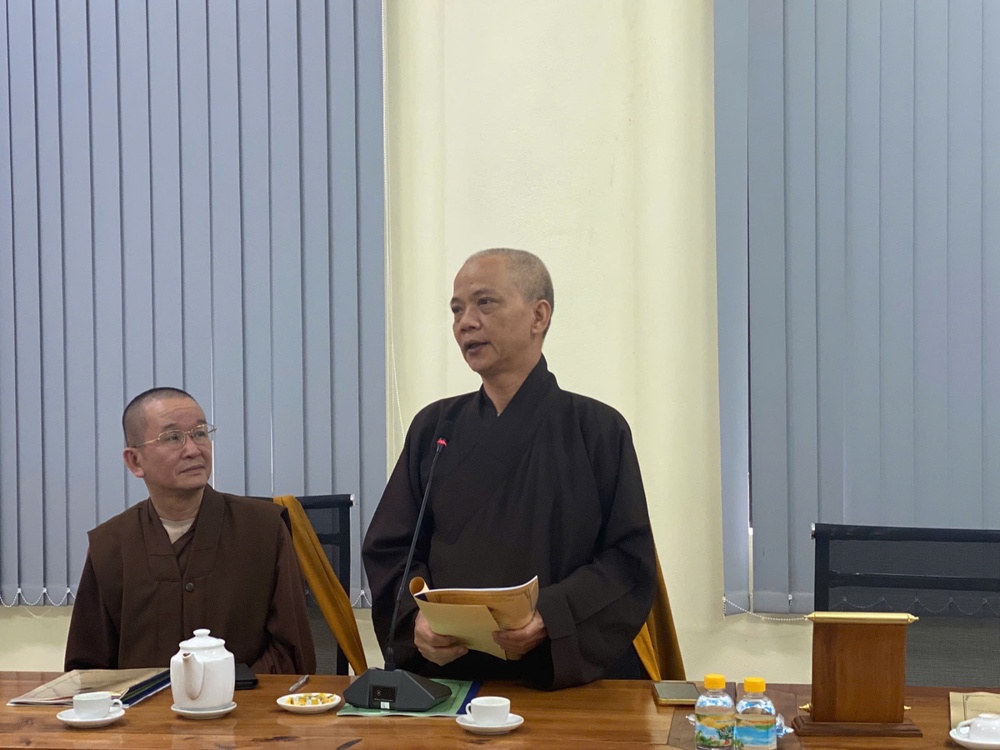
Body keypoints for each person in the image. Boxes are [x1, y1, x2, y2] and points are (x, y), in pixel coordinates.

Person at [362, 248, 657, 689]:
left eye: (484, 302)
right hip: (449, 680)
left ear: (539, 316)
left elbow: (627, 560)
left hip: (562, 680)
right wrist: (415, 619)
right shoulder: (435, 429)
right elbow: (391, 550)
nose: (465, 322)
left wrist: (551, 616)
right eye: (456, 309)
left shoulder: (597, 430)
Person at [64, 387, 316, 674]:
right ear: (135, 461)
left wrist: (227, 688)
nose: (194, 450)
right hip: (143, 703)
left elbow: (291, 653)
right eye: (173, 438)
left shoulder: (264, 530)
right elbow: (88, 671)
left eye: (200, 433)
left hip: (246, 699)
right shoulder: (110, 546)